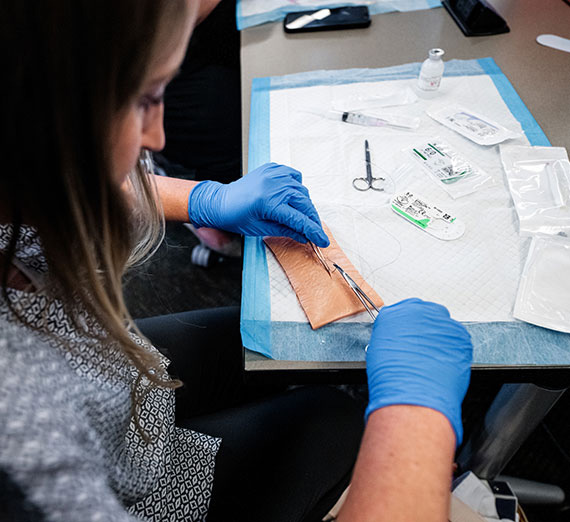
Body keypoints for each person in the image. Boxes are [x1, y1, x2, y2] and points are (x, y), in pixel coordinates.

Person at [0, 2, 472, 522]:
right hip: (134, 493)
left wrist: (205, 197)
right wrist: (415, 419)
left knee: (264, 340)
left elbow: (62, 174)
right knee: (337, 425)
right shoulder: (22, 452)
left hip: (108, 375)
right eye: (144, 98)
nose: (155, 138)